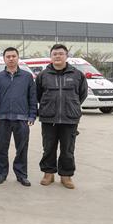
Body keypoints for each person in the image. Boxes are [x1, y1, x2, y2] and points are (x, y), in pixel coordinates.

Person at [36, 44, 87, 189]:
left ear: (66, 56)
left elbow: (82, 94)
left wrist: (71, 106)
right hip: (49, 118)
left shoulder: (77, 75)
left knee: (68, 149)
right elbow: (38, 95)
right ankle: (48, 174)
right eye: (55, 54)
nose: (57, 56)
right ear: (50, 56)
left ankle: (66, 176)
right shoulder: (43, 75)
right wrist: (48, 106)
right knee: (48, 148)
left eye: (60, 53)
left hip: (69, 118)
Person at [0, 47, 37, 187]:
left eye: (13, 56)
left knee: (22, 148)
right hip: (3, 118)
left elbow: (32, 97)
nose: (11, 59)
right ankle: (1, 173)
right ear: (4, 59)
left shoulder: (27, 76)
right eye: (8, 56)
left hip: (22, 118)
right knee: (1, 148)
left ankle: (21, 175)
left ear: (18, 58)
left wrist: (32, 116)